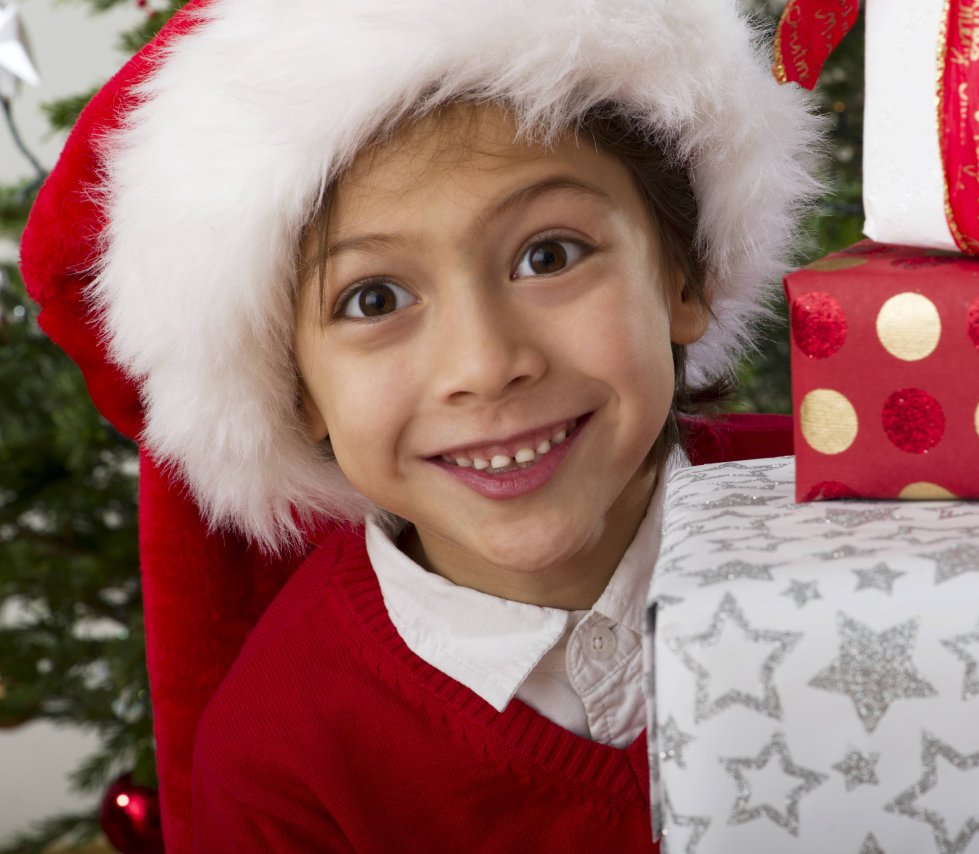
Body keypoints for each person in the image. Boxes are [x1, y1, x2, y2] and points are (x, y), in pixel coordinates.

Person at [21, 0, 824, 849]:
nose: (483, 364)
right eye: (374, 300)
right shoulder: (279, 754)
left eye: (547, 255)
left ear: (684, 279)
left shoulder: (858, 511)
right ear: (295, 391)